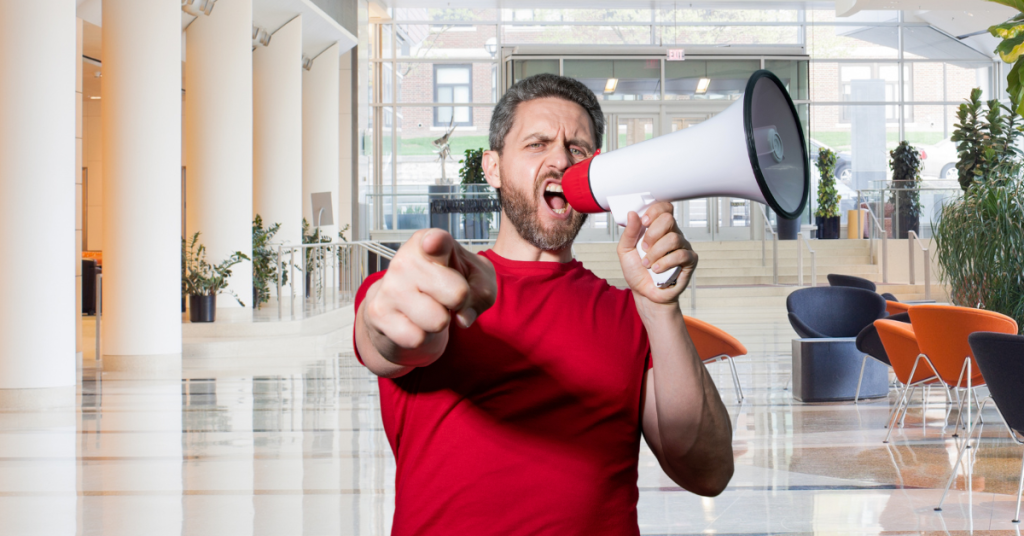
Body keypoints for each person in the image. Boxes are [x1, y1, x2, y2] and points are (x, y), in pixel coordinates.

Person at [353, 73, 734, 535]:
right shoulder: (434, 284)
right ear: (492, 167)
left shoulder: (633, 314)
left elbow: (707, 471)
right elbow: (388, 335)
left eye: (577, 150)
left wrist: (660, 307)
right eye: (537, 144)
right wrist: (390, 308)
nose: (559, 159)